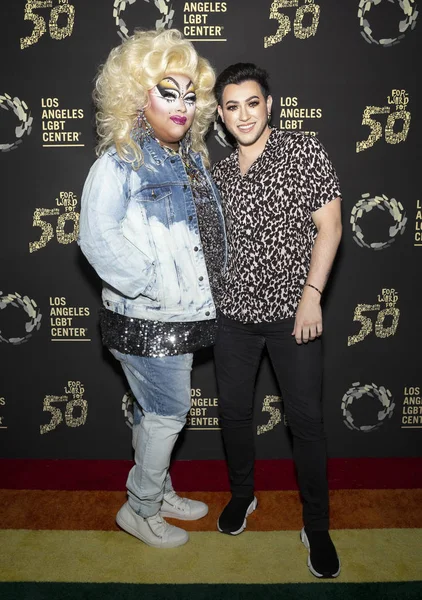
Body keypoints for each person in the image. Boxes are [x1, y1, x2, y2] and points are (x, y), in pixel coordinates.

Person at [79, 29, 226, 549]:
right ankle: (139, 508)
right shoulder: (119, 161)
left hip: (179, 315)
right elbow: (96, 237)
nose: (182, 106)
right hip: (146, 317)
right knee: (169, 412)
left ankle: (158, 491)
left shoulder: (188, 159)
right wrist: (150, 284)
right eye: (169, 92)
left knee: (151, 410)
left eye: (190, 95)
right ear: (137, 93)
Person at [211, 63, 342, 578]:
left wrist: (312, 297)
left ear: (269, 104)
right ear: (221, 116)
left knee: (306, 422)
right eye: (231, 106)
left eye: (251, 102)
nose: (243, 114)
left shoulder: (303, 151)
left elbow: (330, 229)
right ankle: (243, 495)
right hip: (233, 319)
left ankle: (317, 524)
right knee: (234, 412)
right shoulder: (219, 174)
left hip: (294, 316)